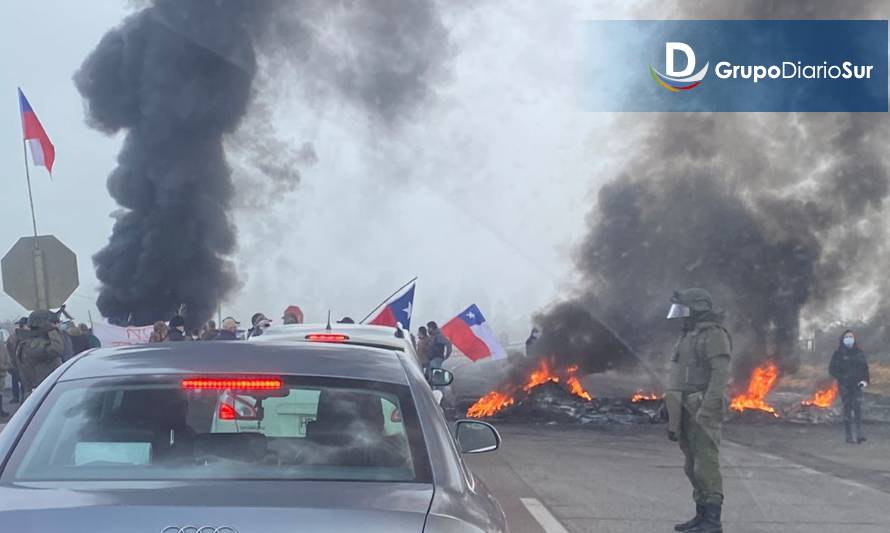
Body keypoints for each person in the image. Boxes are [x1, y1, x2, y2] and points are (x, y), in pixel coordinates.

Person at [664, 289, 731, 533]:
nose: (681, 315)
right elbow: (678, 373)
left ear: (698, 308)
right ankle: (701, 515)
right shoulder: (688, 335)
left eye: (684, 309)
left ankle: (712, 522)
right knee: (691, 466)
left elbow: (719, 375)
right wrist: (669, 406)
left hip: (701, 406)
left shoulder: (714, 335)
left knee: (706, 465)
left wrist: (708, 408)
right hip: (684, 406)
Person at [829, 329, 870, 444]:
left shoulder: (859, 353)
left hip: (857, 385)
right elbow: (832, 370)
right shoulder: (838, 354)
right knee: (847, 410)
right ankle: (849, 436)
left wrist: (865, 381)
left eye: (851, 336)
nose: (849, 339)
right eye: (847, 337)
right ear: (843, 339)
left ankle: (859, 434)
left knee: (858, 409)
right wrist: (842, 378)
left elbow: (865, 369)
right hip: (844, 386)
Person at [15, 310, 65, 398]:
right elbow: (57, 349)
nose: (55, 325)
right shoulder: (32, 344)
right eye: (52, 323)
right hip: (40, 394)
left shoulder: (33, 341)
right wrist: (52, 331)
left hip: (43, 392)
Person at [6, 318, 27, 403]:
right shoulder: (21, 337)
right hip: (21, 364)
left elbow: (9, 351)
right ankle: (21, 399)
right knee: (23, 383)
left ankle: (17, 397)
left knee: (17, 382)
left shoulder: (12, 337)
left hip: (16, 363)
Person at [0, 331, 10, 417]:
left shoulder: (2, 346)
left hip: (2, 372)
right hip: (2, 371)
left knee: (1, 392)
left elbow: (6, 357)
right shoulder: (2, 346)